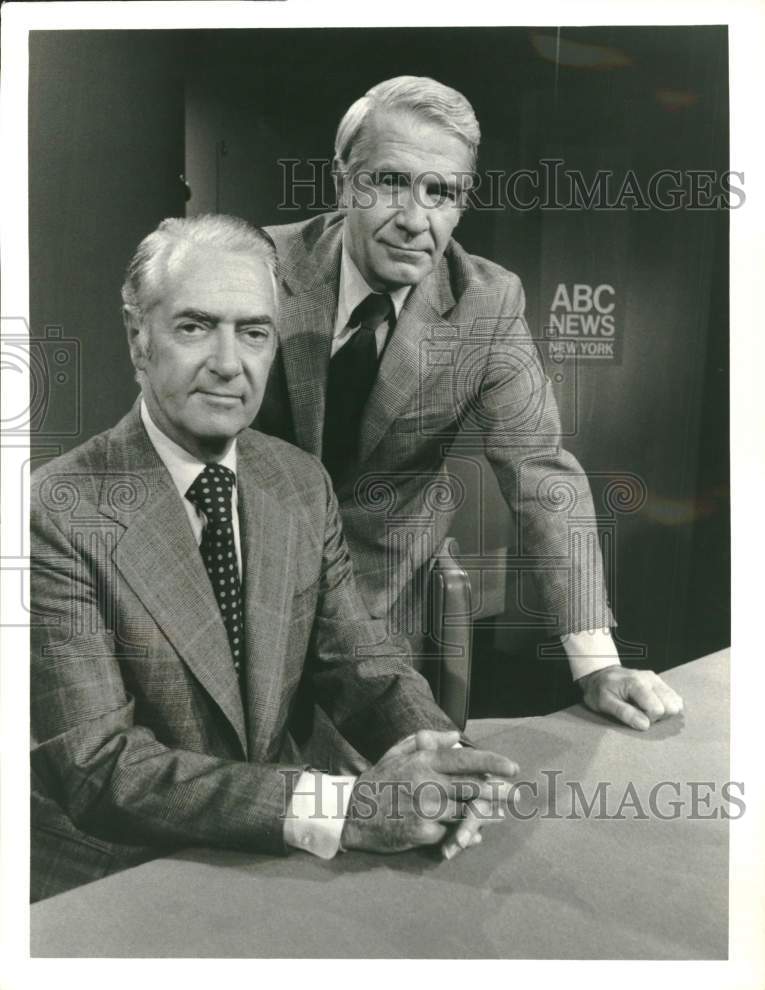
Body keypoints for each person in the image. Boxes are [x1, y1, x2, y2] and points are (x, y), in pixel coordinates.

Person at [29, 215, 518, 902]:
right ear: (139, 341)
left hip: (274, 853)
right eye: (195, 327)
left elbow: (358, 661)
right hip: (116, 875)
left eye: (254, 332)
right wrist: (346, 809)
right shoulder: (53, 511)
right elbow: (99, 771)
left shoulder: (297, 480)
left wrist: (441, 763)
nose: (229, 363)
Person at [260, 75, 683, 731]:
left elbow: (539, 472)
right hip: (245, 593)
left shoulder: (487, 303)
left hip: (381, 610)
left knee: (406, 802)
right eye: (390, 182)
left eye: (441, 193)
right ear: (343, 181)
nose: (414, 218)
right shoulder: (257, 266)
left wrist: (597, 663)